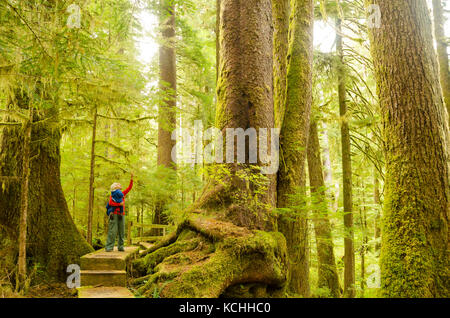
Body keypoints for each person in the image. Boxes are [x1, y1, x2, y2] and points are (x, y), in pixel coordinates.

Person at [105, 173, 134, 252]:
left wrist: (131, 179)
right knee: (112, 231)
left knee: (122, 231)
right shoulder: (113, 195)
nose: (119, 184)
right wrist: (119, 204)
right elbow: (111, 203)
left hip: (122, 214)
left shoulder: (122, 194)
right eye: (118, 184)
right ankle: (109, 247)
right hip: (114, 214)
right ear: (115, 187)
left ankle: (120, 247)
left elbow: (129, 188)